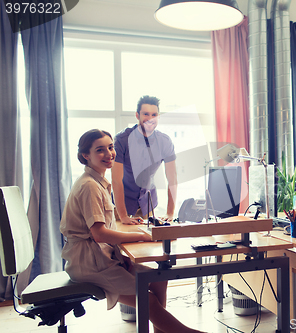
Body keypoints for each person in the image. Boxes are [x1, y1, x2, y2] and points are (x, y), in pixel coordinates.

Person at [60, 129, 203, 333]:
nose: (109, 154)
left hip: (101, 258)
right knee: (148, 301)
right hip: (90, 265)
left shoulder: (98, 183)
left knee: (159, 279)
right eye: (100, 150)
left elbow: (103, 230)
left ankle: (162, 331)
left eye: (110, 147)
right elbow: (99, 234)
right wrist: (142, 235)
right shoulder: (89, 186)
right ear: (86, 155)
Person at [112, 95, 177, 225]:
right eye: (146, 114)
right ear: (137, 115)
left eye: (154, 114)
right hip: (122, 206)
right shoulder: (122, 139)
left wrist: (170, 212)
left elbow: (172, 179)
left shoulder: (165, 141)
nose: (150, 119)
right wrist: (123, 216)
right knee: (122, 243)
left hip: (148, 204)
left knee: (148, 243)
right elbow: (116, 180)